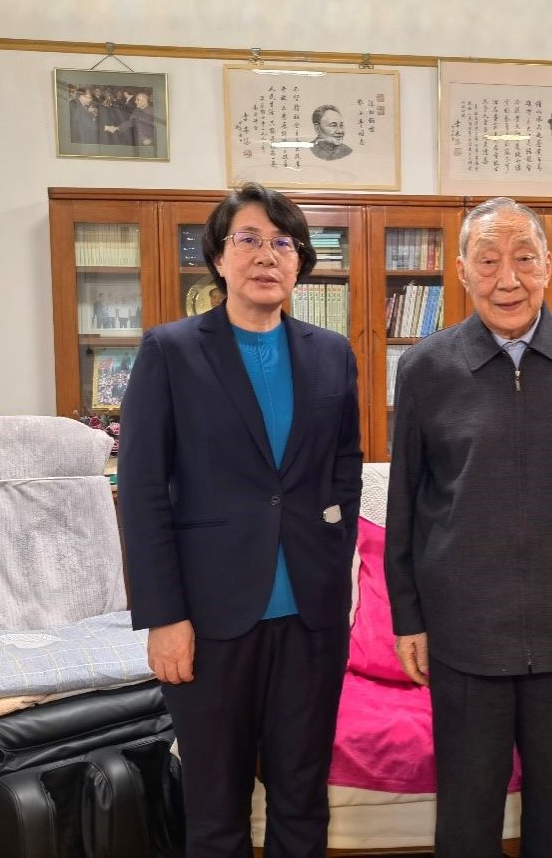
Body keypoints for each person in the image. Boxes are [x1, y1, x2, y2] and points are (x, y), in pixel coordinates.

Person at [385, 196, 552, 857]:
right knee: (468, 816)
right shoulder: (424, 369)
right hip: (464, 634)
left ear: (548, 265)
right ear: (461, 270)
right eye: (488, 261)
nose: (508, 279)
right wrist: (408, 617)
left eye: (524, 259)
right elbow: (406, 506)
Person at [119, 183, 362, 857]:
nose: (266, 255)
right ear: (219, 258)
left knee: (302, 803)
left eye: (283, 242)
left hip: (311, 618)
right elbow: (141, 492)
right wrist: (164, 617)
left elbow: (345, 466)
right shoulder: (170, 351)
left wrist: (332, 557)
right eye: (248, 239)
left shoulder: (331, 353)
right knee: (216, 813)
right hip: (208, 622)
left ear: (299, 262)